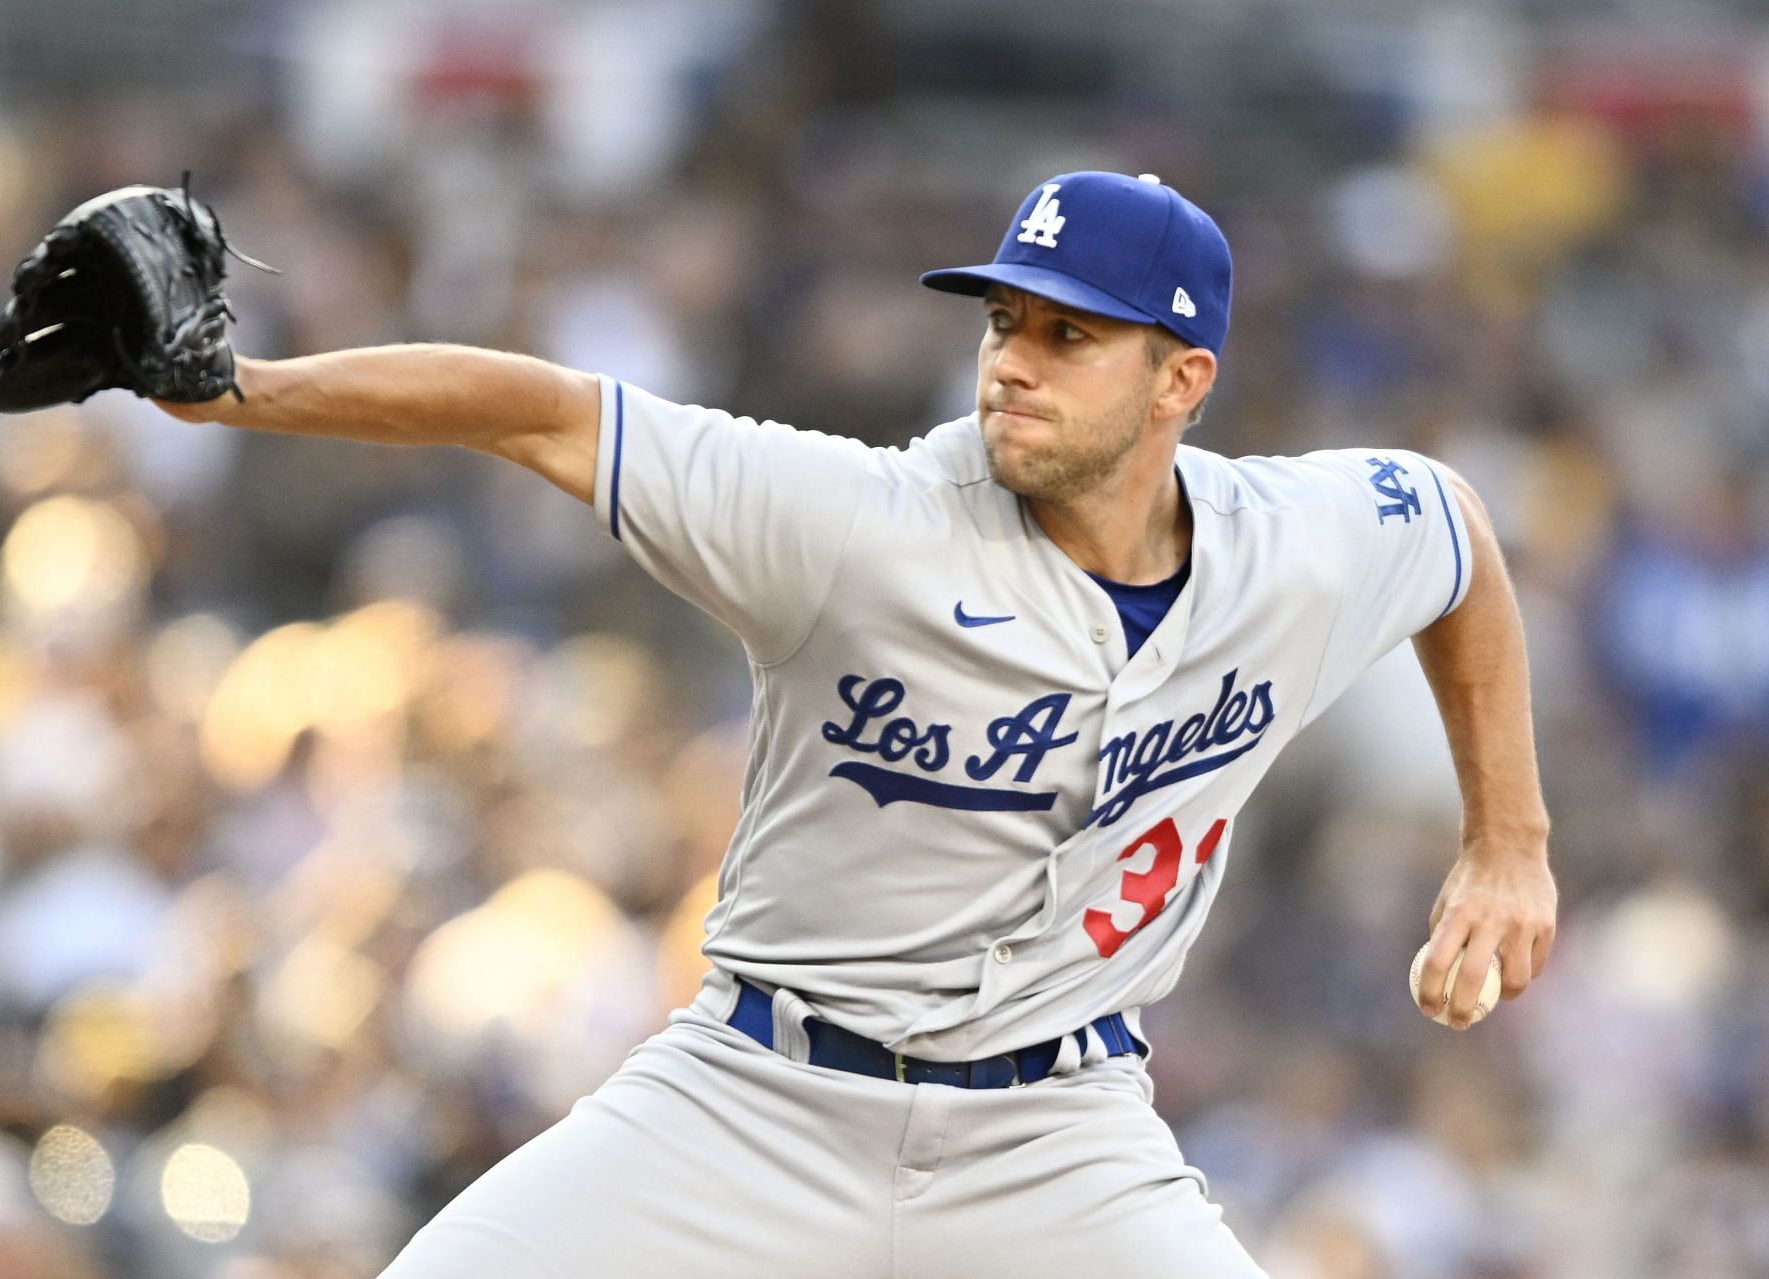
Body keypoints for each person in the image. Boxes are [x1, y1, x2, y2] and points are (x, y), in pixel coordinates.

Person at [158, 170, 1558, 1277]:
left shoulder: (1292, 548)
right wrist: (243, 392)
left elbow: (1455, 534)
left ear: (1181, 379)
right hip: (759, 1098)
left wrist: (1510, 837)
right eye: (1004, 320)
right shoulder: (856, 524)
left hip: (1053, 1136)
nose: (1013, 361)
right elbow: (542, 416)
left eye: (1069, 334)